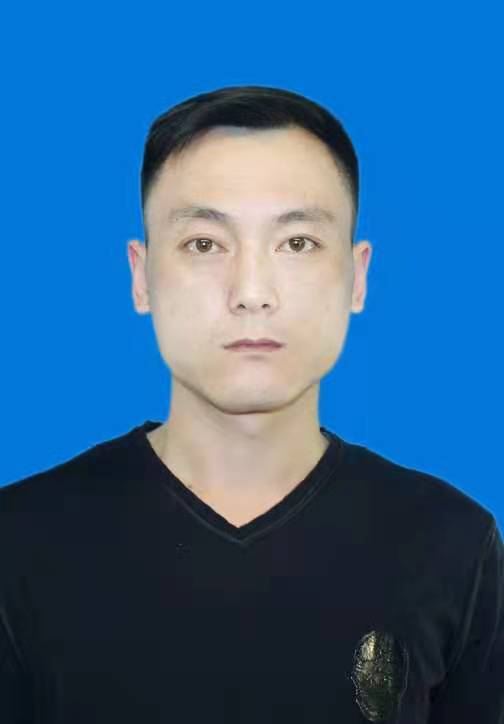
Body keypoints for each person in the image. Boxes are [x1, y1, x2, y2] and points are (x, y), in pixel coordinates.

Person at [1, 85, 502, 723]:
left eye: (297, 243)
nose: (251, 291)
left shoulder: (452, 544)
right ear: (141, 275)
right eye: (204, 244)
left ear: (358, 276)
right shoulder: (19, 541)